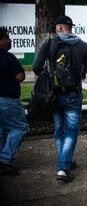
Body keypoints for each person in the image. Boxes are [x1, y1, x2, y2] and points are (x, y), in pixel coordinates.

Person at [32, 15, 87, 182]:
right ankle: (63, 167)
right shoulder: (83, 45)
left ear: (59, 27)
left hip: (54, 94)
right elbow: (86, 69)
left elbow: (36, 67)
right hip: (73, 94)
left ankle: (63, 162)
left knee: (59, 129)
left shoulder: (50, 44)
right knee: (71, 132)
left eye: (56, 26)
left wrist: (49, 75)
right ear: (70, 27)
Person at [0, 27, 28, 175]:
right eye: (6, 37)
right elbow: (20, 77)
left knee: (2, 130)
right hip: (7, 100)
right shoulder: (8, 57)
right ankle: (4, 159)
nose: (9, 40)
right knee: (20, 127)